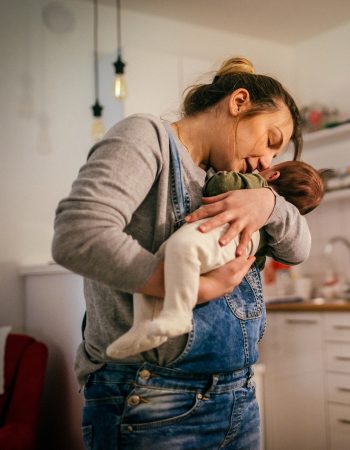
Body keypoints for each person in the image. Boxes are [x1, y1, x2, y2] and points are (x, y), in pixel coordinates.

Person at [52, 56, 310, 450]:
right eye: (271, 140)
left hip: (238, 396)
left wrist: (268, 205)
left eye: (276, 156)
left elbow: (298, 249)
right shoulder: (147, 137)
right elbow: (78, 235)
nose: (266, 161)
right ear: (238, 102)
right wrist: (189, 289)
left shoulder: (236, 182)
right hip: (152, 400)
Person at [106, 160, 325, 359]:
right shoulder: (275, 228)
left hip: (225, 236)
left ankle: (178, 314)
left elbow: (218, 186)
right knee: (162, 261)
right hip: (229, 248)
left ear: (273, 175)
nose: (264, 163)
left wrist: (245, 179)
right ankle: (144, 327)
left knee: (181, 248)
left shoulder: (255, 185)